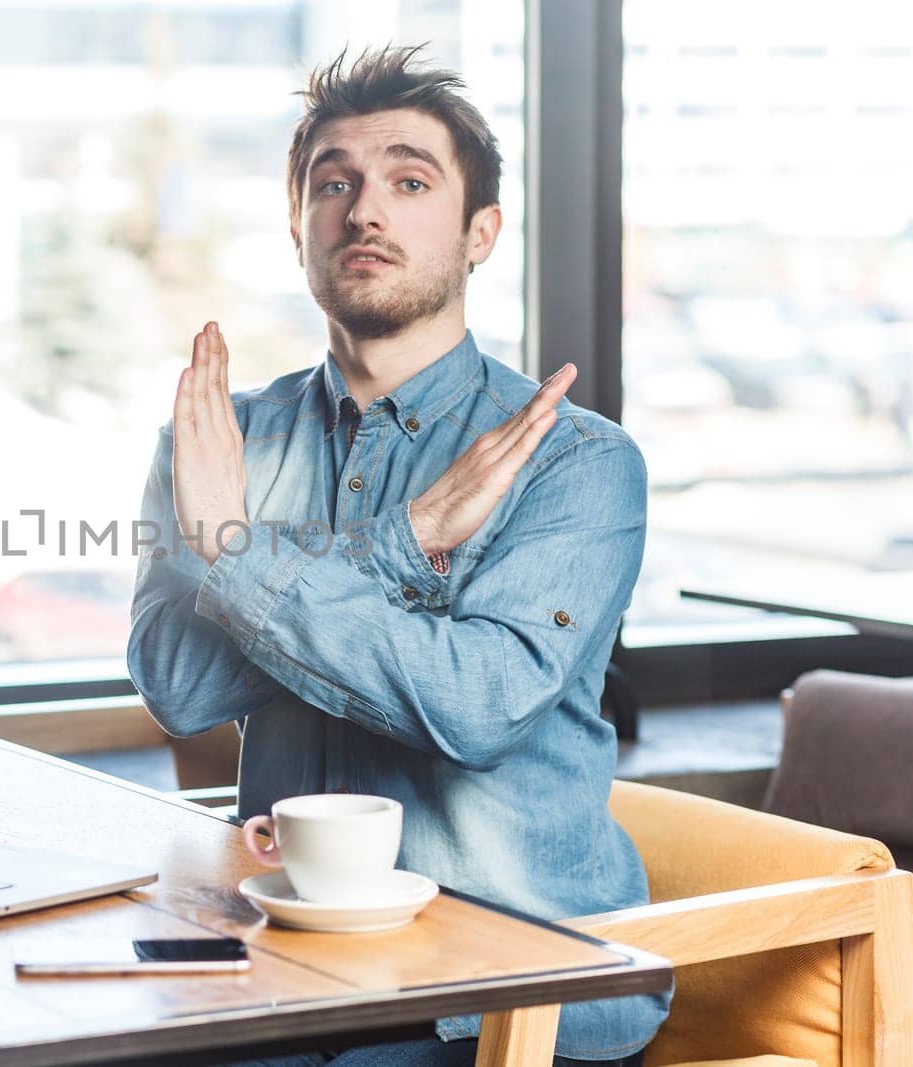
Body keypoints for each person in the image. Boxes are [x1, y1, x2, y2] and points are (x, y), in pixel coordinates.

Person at [126, 45, 668, 1065]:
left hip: (509, 986)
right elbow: (179, 687)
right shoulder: (214, 437)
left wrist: (234, 553)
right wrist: (402, 545)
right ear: (298, 229)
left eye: (408, 181)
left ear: (479, 234)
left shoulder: (577, 462)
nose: (364, 210)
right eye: (333, 182)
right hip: (290, 965)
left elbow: (475, 706)